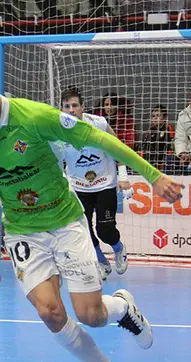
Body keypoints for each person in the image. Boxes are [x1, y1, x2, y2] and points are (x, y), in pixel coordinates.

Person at [0, 62, 184, 362]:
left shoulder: (34, 117)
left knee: (91, 315)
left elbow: (98, 138)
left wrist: (153, 176)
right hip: (22, 232)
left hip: (65, 222)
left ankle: (123, 308)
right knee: (50, 312)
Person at [56, 87, 131, 280]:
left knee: (105, 231)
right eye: (67, 106)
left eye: (75, 105)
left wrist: (123, 175)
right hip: (78, 186)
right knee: (83, 231)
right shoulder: (57, 131)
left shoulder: (99, 124)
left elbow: (118, 148)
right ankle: (101, 261)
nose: (71, 110)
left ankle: (118, 248)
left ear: (83, 107)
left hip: (104, 182)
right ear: (61, 109)